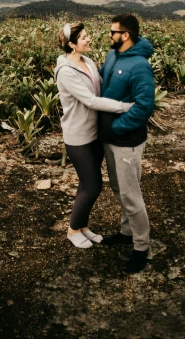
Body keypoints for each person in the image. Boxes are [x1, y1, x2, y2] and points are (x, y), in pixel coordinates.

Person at [54, 21, 134, 249]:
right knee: (93, 185)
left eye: (87, 36)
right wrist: (124, 107)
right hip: (78, 138)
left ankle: (82, 227)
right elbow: (90, 100)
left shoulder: (87, 61)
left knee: (85, 185)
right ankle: (72, 230)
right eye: (83, 38)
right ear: (71, 44)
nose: (89, 39)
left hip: (94, 133)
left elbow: (101, 86)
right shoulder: (66, 73)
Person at [98, 13, 155, 274]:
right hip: (110, 138)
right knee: (120, 189)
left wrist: (116, 128)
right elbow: (100, 81)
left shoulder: (140, 66)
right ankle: (126, 231)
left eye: (113, 32)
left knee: (131, 195)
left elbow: (144, 106)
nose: (109, 35)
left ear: (126, 35)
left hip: (127, 140)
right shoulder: (113, 56)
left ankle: (141, 246)